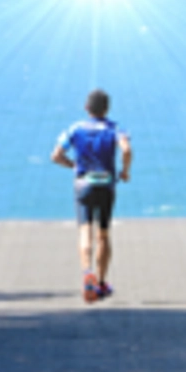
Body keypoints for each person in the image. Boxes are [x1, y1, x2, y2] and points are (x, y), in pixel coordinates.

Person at [51, 89, 132, 303]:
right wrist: (125, 171)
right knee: (103, 234)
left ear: (87, 108)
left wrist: (73, 166)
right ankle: (102, 283)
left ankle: (87, 273)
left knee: (84, 230)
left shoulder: (75, 128)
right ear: (107, 108)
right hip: (106, 185)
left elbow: (56, 155)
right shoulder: (115, 128)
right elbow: (126, 150)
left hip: (83, 184)